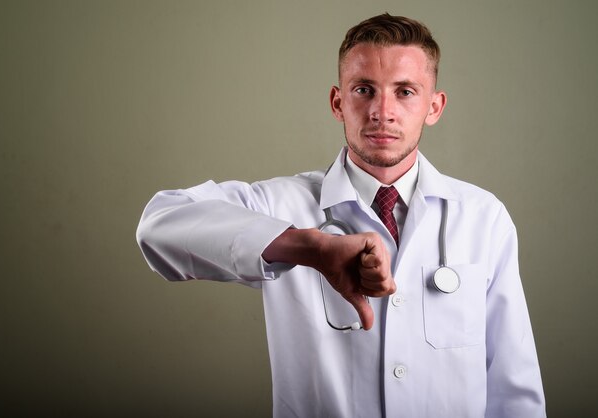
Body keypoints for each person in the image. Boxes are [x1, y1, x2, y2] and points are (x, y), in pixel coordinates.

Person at [136, 13, 546, 418]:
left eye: (405, 92)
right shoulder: (284, 206)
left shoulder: (483, 217)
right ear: (338, 101)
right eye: (364, 89)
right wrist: (310, 247)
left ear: (434, 106)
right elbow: (159, 224)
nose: (381, 111)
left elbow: (515, 389)